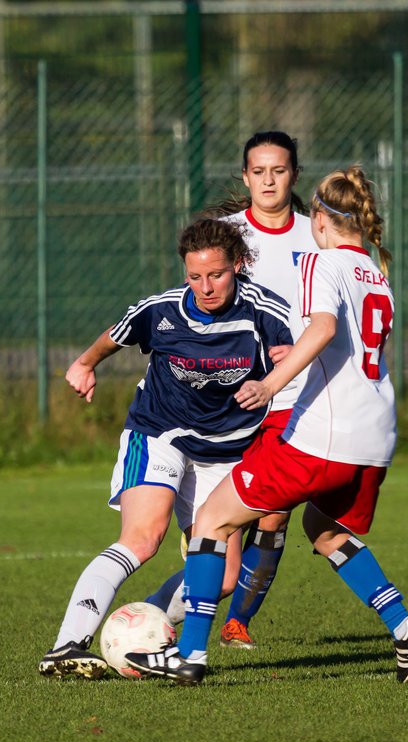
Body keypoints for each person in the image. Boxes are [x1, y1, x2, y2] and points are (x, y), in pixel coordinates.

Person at [126, 165, 408, 686]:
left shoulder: (323, 259)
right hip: (376, 436)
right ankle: (404, 627)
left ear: (320, 218)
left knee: (211, 522)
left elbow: (324, 327)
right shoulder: (375, 271)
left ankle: (190, 656)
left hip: (323, 436)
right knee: (323, 528)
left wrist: (270, 385)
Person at [38, 218, 293, 679]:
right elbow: (115, 336)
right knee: (143, 537)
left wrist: (278, 376)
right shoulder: (162, 310)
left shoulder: (265, 313)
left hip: (226, 452)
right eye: (195, 276)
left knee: (226, 578)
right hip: (159, 434)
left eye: (216, 274)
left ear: (238, 265)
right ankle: (66, 645)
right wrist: (84, 364)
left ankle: (145, 626)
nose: (205, 287)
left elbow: (292, 359)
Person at [144, 130, 319, 651]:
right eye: (259, 171)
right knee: (230, 529)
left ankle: (238, 620)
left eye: (279, 170)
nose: (269, 180)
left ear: (294, 174)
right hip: (230, 403)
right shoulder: (225, 234)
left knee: (276, 511)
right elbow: (191, 305)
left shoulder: (318, 234)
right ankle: (157, 613)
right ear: (245, 177)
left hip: (296, 393)